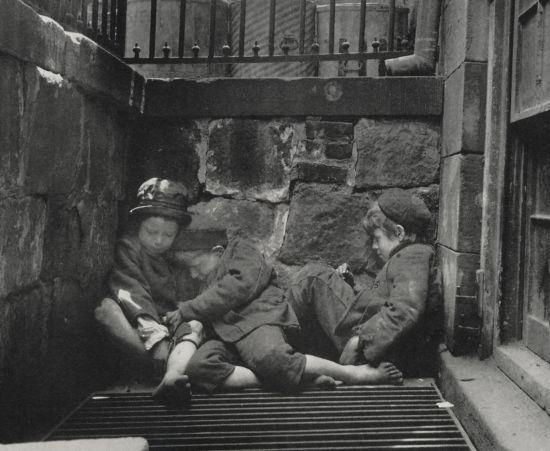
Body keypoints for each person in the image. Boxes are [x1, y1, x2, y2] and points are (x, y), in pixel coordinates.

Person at [164, 234, 403, 394]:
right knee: (198, 369)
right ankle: (300, 380)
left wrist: (188, 308)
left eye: (197, 266)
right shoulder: (200, 286)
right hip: (225, 337)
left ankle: (353, 373)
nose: (194, 275)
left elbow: (241, 285)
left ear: (218, 252)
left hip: (256, 318)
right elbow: (190, 325)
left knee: (272, 358)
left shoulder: (239, 250)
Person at [285, 188, 442, 377]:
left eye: (377, 239)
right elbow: (385, 301)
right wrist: (353, 286)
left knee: (313, 278)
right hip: (381, 346)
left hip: (376, 351)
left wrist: (360, 340)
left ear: (399, 233)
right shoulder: (408, 257)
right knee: (319, 276)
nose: (374, 247)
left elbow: (405, 310)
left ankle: (274, 344)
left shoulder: (413, 256)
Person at [95, 178, 204, 405]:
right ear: (138, 226)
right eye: (151, 231)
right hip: (138, 324)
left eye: (167, 235)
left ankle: (172, 372)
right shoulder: (129, 248)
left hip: (168, 329)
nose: (158, 241)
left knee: (196, 326)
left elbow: (183, 305)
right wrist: (155, 337)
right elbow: (130, 289)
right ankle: (158, 367)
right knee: (105, 310)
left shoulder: (175, 261)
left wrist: (177, 325)